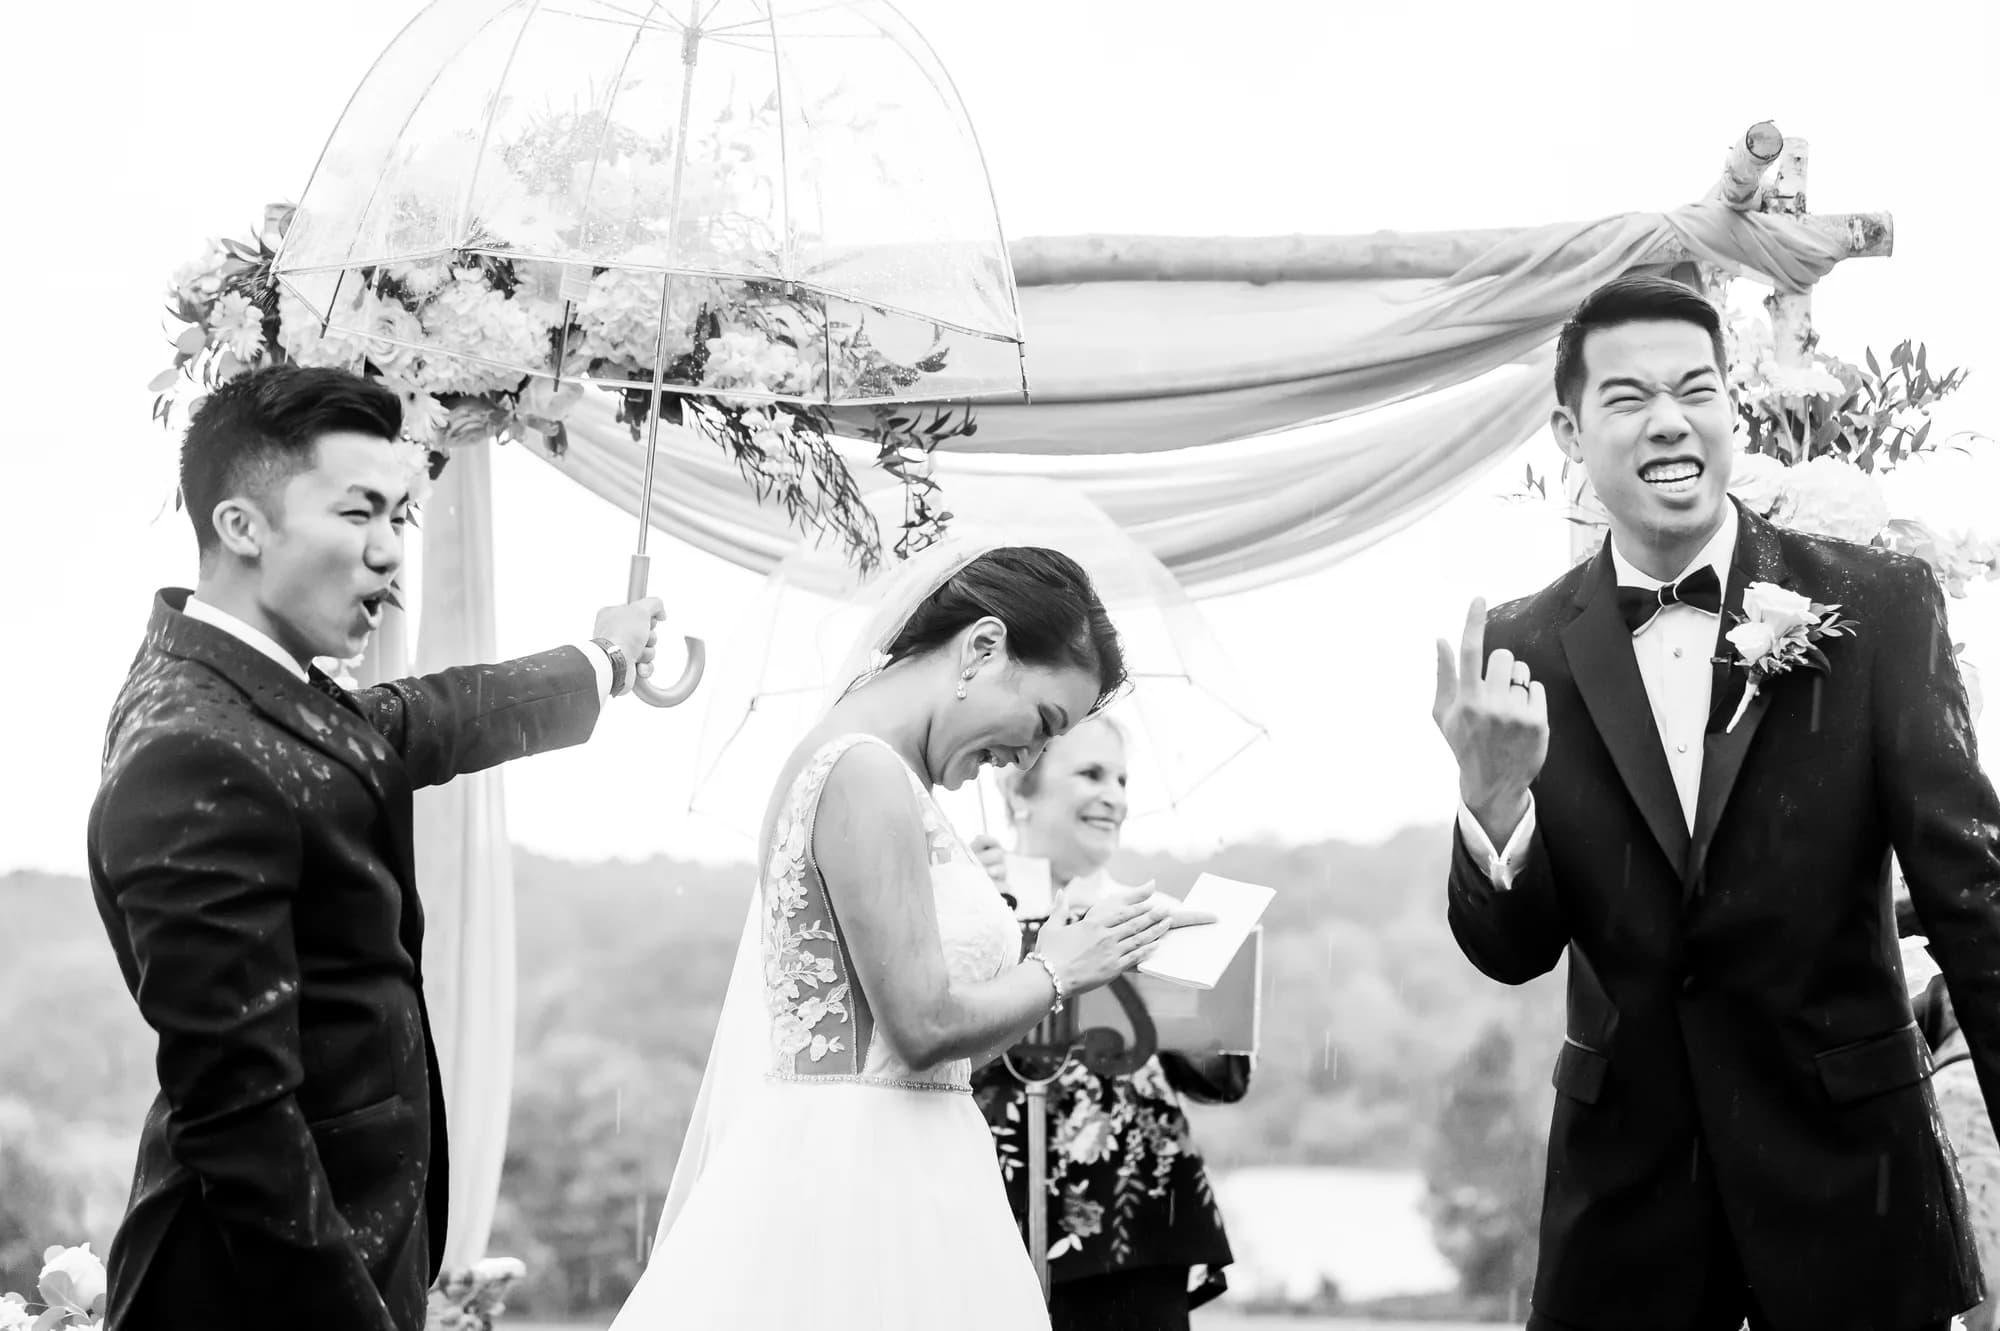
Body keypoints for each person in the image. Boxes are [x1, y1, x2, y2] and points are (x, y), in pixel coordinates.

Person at [1429, 273, 2000, 1331]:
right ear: (1567, 428)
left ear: (1732, 403)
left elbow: (1973, 897)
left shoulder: (1874, 606)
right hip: (1626, 1217)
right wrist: (1492, 797)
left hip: (1851, 1193)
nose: (1668, 420)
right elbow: (1511, 949)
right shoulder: (1520, 644)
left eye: (1694, 388)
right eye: (1627, 397)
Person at [88, 366, 665, 1331]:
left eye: (400, 518)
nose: (391, 555)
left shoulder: (244, 689)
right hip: (262, 1296)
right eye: (361, 514)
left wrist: (600, 663)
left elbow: (406, 722)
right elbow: (243, 1123)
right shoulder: (195, 745)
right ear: (243, 525)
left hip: (347, 1252)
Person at [610, 543, 1206, 1331]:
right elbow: (921, 1028)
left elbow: (925, 1042)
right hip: (862, 1184)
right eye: (1043, 722)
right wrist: (1058, 973)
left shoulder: (885, 769)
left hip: (909, 1160)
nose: (1027, 754)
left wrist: (1052, 956)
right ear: (984, 646)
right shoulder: (862, 770)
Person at [969, 714, 1248, 1331]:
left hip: (1136, 1225)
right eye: (1090, 774)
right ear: (1017, 791)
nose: (1114, 796)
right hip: (993, 1210)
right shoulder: (972, 899)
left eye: (1121, 780)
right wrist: (972, 906)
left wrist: (1183, 1003)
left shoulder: (1156, 918)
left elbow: (1222, 1078)